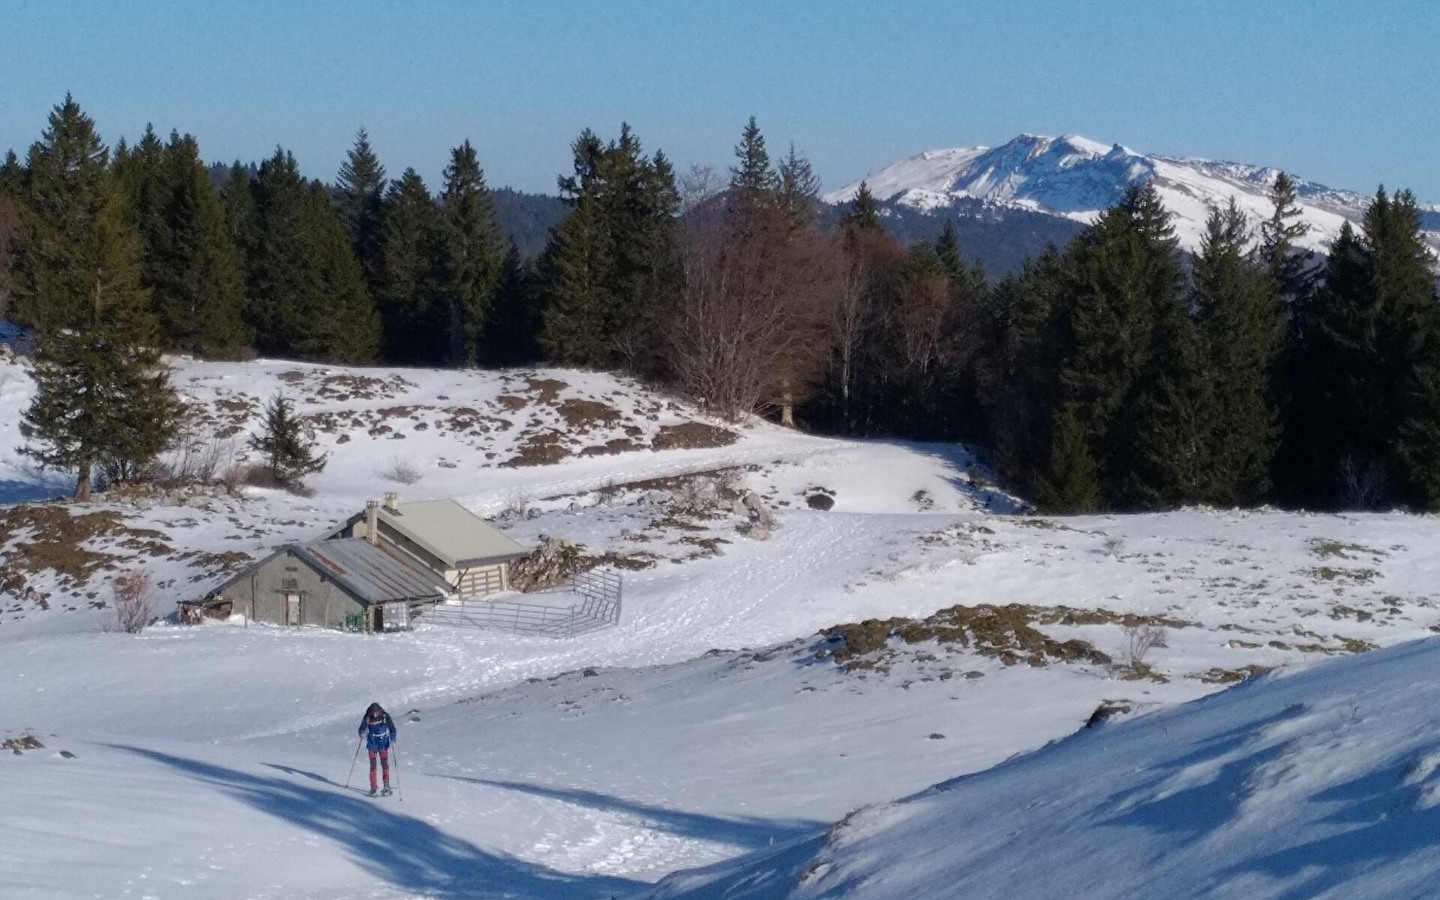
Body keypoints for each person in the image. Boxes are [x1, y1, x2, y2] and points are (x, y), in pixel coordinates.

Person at [358, 702, 398, 796]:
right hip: (372, 742)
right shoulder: (368, 717)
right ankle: (373, 787)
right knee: (373, 765)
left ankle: (386, 785)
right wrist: (361, 733)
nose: (375, 715)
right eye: (373, 713)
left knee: (384, 763)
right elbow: (362, 728)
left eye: (376, 713)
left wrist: (393, 739)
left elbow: (392, 729)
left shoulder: (385, 716)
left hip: (383, 742)